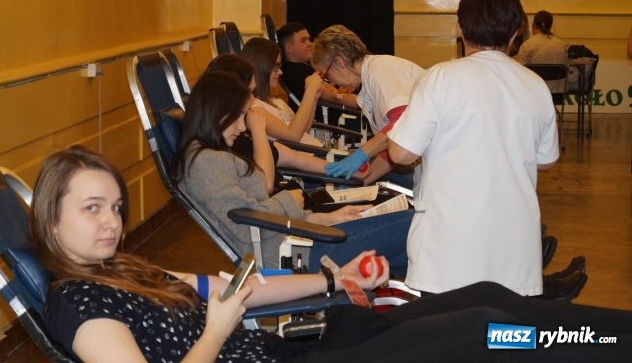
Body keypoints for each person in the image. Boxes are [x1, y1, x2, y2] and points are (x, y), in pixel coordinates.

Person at [31, 146, 632, 363]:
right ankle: (614, 345)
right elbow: (223, 317)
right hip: (291, 360)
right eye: (92, 208)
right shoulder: (78, 305)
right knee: (485, 332)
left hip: (302, 345)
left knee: (487, 297)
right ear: (50, 218)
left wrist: (333, 279)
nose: (111, 221)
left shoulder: (124, 270)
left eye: (115, 206)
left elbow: (243, 290)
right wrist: (215, 331)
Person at [386, 0, 579, 298]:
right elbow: (547, 160)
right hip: (515, 253)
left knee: (449, 328)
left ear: (460, 27)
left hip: (448, 253)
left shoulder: (440, 77)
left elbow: (400, 153)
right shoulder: (535, 85)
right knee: (502, 328)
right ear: (516, 31)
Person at [173, 70, 412, 273]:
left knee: (409, 254)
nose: (242, 126)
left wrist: (326, 218)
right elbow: (246, 224)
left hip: (297, 239)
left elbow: (258, 213)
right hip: (294, 255)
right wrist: (291, 200)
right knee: (415, 222)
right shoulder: (205, 164)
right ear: (216, 112)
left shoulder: (212, 156)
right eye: (238, 117)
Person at [204, 53, 370, 194]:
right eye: (249, 91)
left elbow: (295, 157)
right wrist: (258, 129)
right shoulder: (241, 133)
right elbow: (266, 184)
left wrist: (343, 169)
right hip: (293, 194)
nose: (252, 98)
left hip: (302, 180)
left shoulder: (245, 132)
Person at [310, 25, 425, 186]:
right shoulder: (369, 82)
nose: (332, 82)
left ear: (339, 62)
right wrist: (360, 184)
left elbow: (401, 125)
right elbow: (389, 146)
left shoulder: (381, 70)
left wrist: (360, 155)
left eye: (327, 75)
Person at [240, 37, 324, 146]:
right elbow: (293, 135)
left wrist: (314, 98)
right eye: (275, 66)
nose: (280, 72)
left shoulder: (275, 99)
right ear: (261, 67)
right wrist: (310, 91)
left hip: (310, 150)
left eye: (279, 66)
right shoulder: (255, 108)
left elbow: (303, 133)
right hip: (301, 155)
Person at [277, 22, 359, 112]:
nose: (310, 44)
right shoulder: (295, 72)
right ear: (289, 48)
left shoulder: (303, 67)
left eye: (309, 39)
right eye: (303, 41)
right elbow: (335, 97)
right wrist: (364, 103)